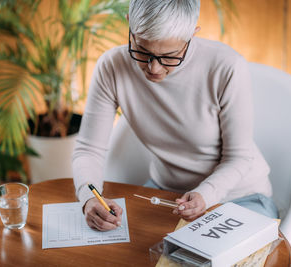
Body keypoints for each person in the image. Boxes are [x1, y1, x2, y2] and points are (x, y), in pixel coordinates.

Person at [72, 0, 278, 231]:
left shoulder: (226, 67)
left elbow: (238, 157)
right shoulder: (112, 67)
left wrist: (205, 195)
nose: (154, 69)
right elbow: (89, 149)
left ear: (192, 34)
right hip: (165, 195)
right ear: (130, 25)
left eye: (169, 56)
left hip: (239, 196)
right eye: (142, 51)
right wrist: (89, 198)